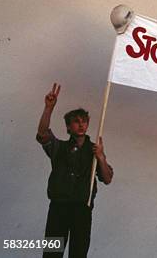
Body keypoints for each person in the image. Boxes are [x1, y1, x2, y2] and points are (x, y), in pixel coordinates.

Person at [37, 83, 114, 258]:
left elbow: (107, 178)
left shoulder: (95, 150)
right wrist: (49, 108)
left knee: (78, 253)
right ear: (68, 127)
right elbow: (42, 134)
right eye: (76, 122)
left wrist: (101, 157)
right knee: (51, 253)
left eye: (84, 121)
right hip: (58, 208)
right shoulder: (60, 148)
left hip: (82, 209)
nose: (81, 125)